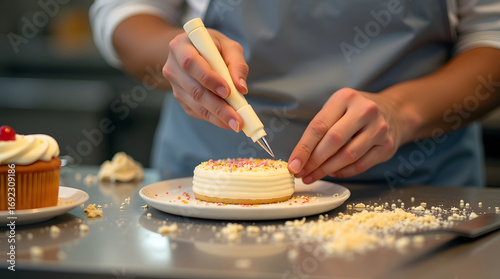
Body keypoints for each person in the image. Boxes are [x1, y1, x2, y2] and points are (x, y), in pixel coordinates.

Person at [90, 0, 500, 187]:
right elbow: (123, 13)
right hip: (205, 197)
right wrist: (181, 60)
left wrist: (401, 112)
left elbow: (491, 36)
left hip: (416, 190)